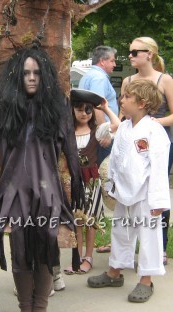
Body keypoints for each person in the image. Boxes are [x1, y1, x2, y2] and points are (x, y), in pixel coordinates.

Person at [0, 48, 84, 312]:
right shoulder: (4, 107)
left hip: (47, 190)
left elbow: (69, 148)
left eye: (36, 73)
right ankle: (25, 307)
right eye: (26, 73)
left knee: (46, 248)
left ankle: (39, 308)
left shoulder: (56, 106)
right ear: (17, 76)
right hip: (13, 191)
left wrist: (74, 182)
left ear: (45, 76)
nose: (31, 78)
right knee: (20, 250)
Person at [87, 79, 170, 303]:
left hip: (146, 194)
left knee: (148, 235)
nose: (121, 100)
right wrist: (111, 184)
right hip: (124, 190)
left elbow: (159, 167)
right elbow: (116, 159)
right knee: (121, 231)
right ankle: (115, 271)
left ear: (141, 103)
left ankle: (146, 280)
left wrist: (158, 200)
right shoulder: (124, 126)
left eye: (126, 97)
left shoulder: (154, 131)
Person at [119, 37, 173, 265]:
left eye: (135, 52)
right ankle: (127, 246)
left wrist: (154, 123)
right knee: (129, 194)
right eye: (130, 52)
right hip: (132, 147)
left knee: (156, 194)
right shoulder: (128, 81)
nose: (130, 56)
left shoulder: (165, 80)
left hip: (158, 146)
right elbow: (123, 113)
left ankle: (160, 247)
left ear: (150, 55)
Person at [64, 90, 120, 275]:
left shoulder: (97, 131)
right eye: (79, 109)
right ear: (72, 110)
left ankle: (88, 257)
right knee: (77, 220)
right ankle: (76, 257)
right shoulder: (67, 131)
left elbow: (116, 124)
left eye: (88, 110)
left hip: (91, 181)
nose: (84, 114)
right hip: (73, 180)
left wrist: (105, 108)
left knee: (90, 220)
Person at [78, 46, 118, 165]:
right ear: (102, 61)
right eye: (112, 60)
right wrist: (104, 133)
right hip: (101, 135)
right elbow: (98, 106)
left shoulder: (89, 75)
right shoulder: (99, 78)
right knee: (104, 172)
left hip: (92, 130)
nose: (114, 64)